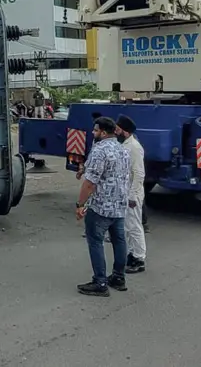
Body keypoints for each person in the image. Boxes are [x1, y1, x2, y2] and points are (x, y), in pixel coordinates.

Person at [75, 116, 131, 296]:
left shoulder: (99, 150)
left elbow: (90, 183)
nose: (93, 133)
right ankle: (119, 277)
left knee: (95, 241)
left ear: (104, 133)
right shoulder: (123, 149)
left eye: (95, 130)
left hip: (101, 206)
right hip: (119, 204)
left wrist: (80, 204)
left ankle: (100, 283)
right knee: (119, 240)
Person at [116, 115, 147, 273]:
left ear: (125, 131)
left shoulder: (134, 147)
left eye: (118, 129)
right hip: (124, 192)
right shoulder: (124, 144)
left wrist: (133, 196)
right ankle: (132, 254)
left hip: (132, 194)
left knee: (134, 226)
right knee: (128, 226)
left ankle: (139, 258)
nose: (115, 131)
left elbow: (139, 174)